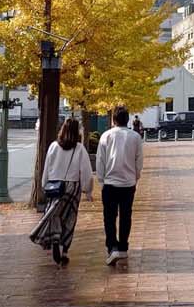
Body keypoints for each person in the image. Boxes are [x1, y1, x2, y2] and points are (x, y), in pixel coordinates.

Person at [30, 117, 93, 266]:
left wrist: (45, 183)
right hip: (72, 187)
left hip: (55, 186)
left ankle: (55, 239)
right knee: (70, 219)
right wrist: (87, 189)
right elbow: (86, 172)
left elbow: (47, 167)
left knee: (55, 216)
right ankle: (65, 250)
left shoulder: (53, 146)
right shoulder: (79, 148)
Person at [95, 105, 144, 266]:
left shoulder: (106, 136)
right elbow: (139, 160)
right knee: (126, 216)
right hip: (128, 182)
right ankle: (123, 246)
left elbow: (100, 160)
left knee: (109, 217)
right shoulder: (135, 137)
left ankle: (112, 247)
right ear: (127, 119)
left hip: (110, 183)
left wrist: (101, 180)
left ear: (113, 119)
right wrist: (135, 177)